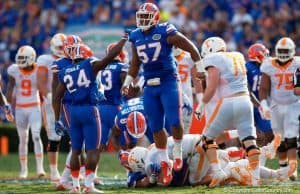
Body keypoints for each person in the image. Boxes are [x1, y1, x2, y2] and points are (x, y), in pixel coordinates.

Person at [121, 2, 202, 185]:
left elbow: (191, 48)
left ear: (156, 18)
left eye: (146, 17)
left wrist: (200, 66)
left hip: (168, 81)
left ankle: (178, 151)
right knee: (156, 126)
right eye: (140, 17)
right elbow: (135, 64)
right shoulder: (135, 36)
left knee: (175, 121)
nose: (142, 21)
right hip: (150, 85)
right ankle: (165, 161)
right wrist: (127, 82)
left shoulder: (166, 31)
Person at [53, 36, 127, 193]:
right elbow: (109, 57)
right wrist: (122, 41)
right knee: (92, 149)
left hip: (73, 112)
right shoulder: (89, 65)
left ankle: (75, 186)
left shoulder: (65, 71)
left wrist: (56, 119)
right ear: (86, 56)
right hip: (90, 109)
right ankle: (88, 186)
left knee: (76, 150)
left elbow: (57, 97)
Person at [195, 37, 261, 187]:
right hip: (245, 100)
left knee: (207, 139)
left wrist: (201, 106)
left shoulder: (213, 58)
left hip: (228, 102)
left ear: (209, 50)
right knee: (250, 141)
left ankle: (217, 172)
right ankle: (256, 179)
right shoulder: (238, 55)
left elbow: (212, 86)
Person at [259, 37, 300, 180]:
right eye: (280, 51)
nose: (283, 53)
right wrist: (264, 104)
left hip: (294, 104)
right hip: (276, 105)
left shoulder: (297, 63)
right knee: (280, 139)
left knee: (291, 137)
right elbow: (263, 87)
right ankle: (284, 169)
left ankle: (292, 168)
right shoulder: (268, 64)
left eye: (285, 51)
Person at [7, 45, 45, 179]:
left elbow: (42, 89)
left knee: (36, 135)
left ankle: (40, 167)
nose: (21, 61)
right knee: (23, 139)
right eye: (20, 57)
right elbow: (10, 88)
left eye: (24, 58)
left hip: (34, 106)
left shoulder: (38, 70)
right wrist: (8, 107)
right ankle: (24, 170)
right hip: (20, 108)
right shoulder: (13, 70)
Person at [36, 33, 66, 182]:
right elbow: (40, 81)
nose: (62, 49)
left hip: (68, 102)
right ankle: (54, 172)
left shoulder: (70, 59)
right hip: (50, 102)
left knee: (77, 136)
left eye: (64, 46)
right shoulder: (44, 59)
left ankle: (76, 170)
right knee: (54, 137)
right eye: (60, 47)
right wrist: (48, 96)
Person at [97, 42, 129, 152]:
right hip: (115, 107)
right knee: (126, 142)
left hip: (99, 108)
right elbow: (128, 88)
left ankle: (89, 170)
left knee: (98, 146)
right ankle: (128, 167)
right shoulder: (122, 67)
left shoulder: (99, 67)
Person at [246, 43, 273, 146]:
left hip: (262, 103)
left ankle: (262, 155)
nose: (266, 57)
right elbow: (247, 89)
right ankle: (243, 154)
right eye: (263, 55)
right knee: (248, 134)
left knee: (269, 132)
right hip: (250, 104)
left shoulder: (268, 67)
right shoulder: (247, 67)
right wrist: (257, 104)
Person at [174, 47, 203, 134]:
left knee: (184, 131)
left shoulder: (188, 57)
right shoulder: (164, 56)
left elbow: (197, 81)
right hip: (172, 98)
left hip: (185, 100)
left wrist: (201, 103)